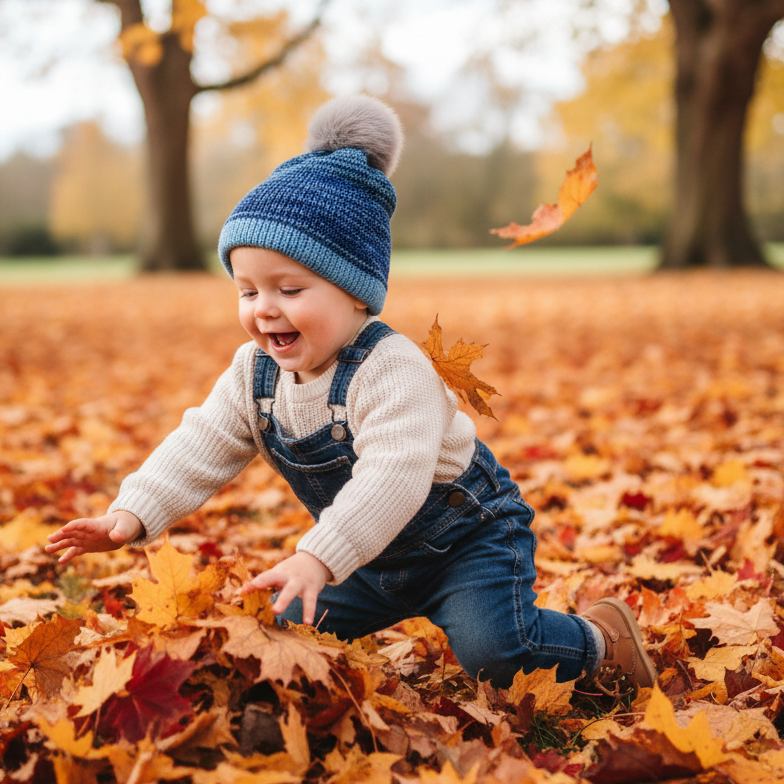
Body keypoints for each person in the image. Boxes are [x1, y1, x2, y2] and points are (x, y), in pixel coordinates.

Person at [45, 95, 656, 694]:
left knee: (497, 654)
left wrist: (320, 556)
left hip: (465, 543)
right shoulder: (253, 375)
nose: (264, 311)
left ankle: (601, 639)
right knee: (279, 636)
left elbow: (395, 474)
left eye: (288, 288)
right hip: (364, 560)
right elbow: (202, 441)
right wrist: (131, 514)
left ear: (355, 292)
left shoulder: (392, 368)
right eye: (247, 290)